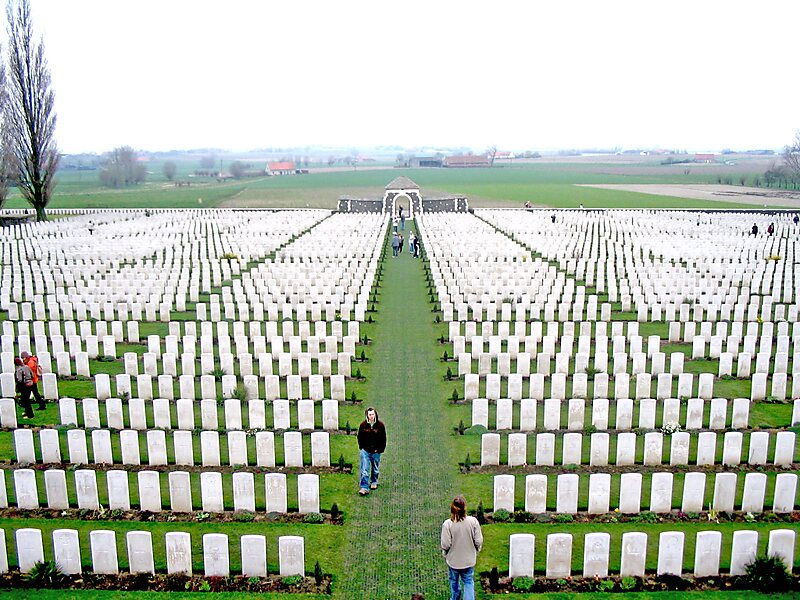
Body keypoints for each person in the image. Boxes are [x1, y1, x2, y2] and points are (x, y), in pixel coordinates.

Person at [441, 495, 483, 600]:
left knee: (454, 581)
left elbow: (445, 544)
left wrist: (445, 552)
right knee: (468, 582)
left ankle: (455, 598)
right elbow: (478, 541)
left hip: (454, 561)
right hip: (468, 560)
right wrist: (477, 549)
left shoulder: (447, 524)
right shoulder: (473, 522)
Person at [357, 407, 386, 495]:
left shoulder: (380, 425)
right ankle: (364, 487)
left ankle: (374, 481)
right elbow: (359, 437)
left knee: (375, 468)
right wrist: (361, 447)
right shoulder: (363, 425)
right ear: (367, 415)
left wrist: (380, 449)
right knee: (365, 469)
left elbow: (383, 438)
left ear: (375, 414)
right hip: (365, 450)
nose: (371, 416)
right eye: (370, 414)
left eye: (373, 414)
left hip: (376, 451)